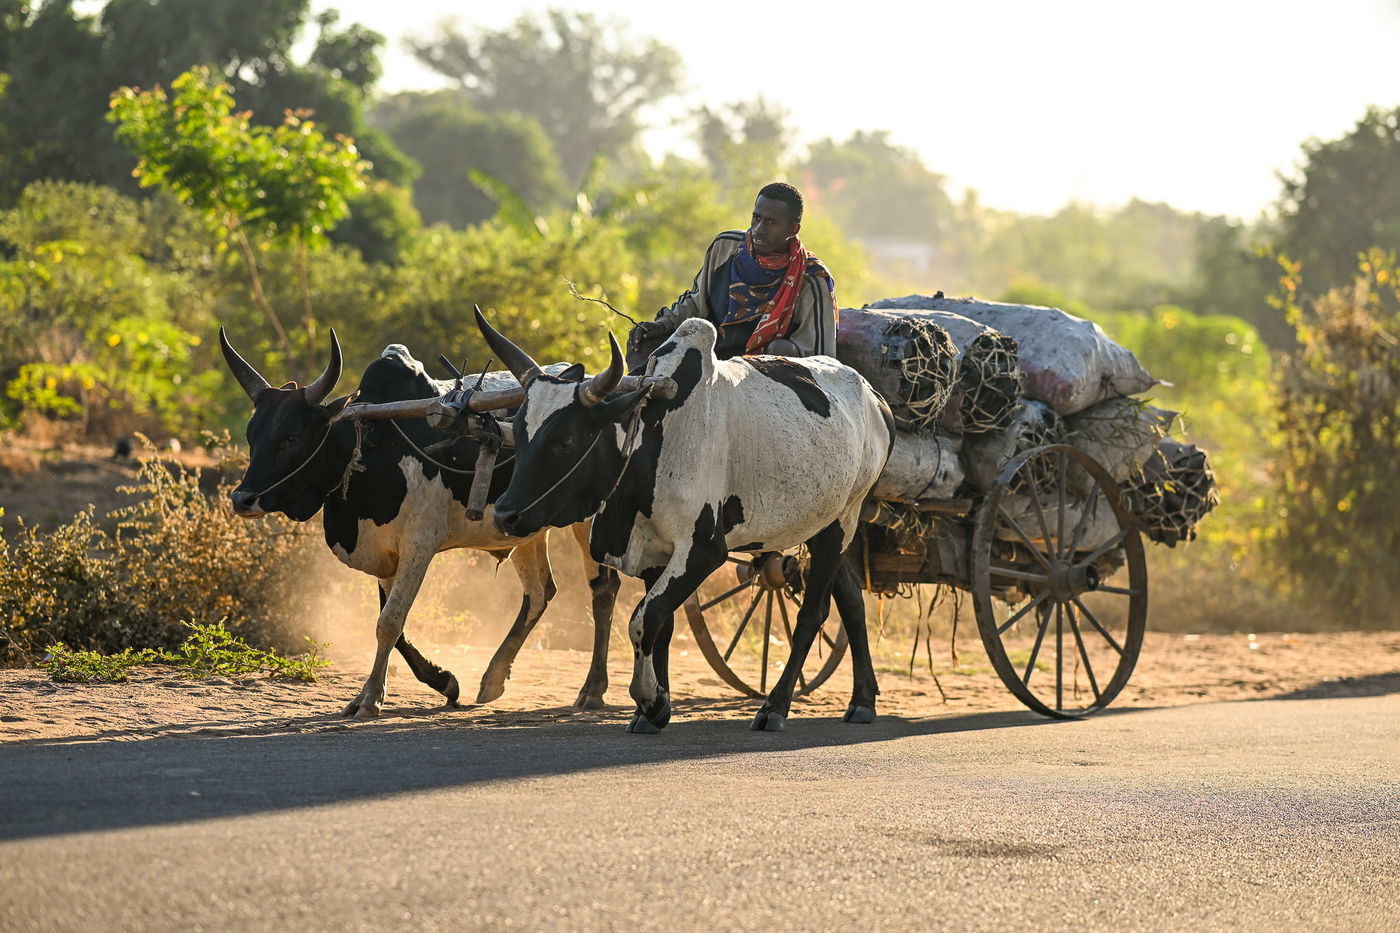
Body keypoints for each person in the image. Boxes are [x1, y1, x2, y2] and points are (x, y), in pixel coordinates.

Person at [628, 182, 837, 365]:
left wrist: (778, 355)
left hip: (768, 376)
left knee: (779, 351)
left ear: (793, 229)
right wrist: (662, 325)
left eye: (771, 222)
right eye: (756, 218)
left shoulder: (812, 278)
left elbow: (820, 357)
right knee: (644, 341)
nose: (758, 229)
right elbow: (696, 301)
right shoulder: (725, 246)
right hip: (713, 359)